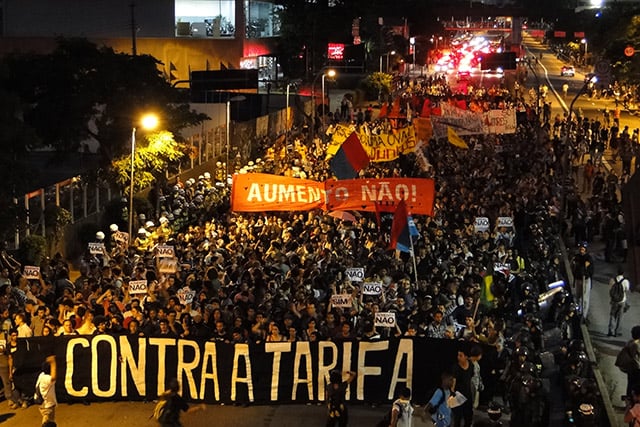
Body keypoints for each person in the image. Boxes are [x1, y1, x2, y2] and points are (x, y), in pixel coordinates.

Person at [571, 242, 594, 319]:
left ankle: (584, 316)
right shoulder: (576, 257)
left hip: (586, 280)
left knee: (585, 299)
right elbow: (573, 267)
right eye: (580, 249)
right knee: (578, 297)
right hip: (578, 279)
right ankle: (578, 313)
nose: (581, 250)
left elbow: (590, 271)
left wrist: (584, 268)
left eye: (583, 249)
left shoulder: (588, 258)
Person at [451, 349, 473, 427]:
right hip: (458, 395)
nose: (458, 357)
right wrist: (452, 394)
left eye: (461, 355)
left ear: (466, 357)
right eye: (458, 355)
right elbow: (453, 382)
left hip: (467, 394)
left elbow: (470, 378)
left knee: (468, 418)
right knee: (457, 418)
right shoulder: (456, 367)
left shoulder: (471, 365)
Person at [608, 265, 630, 337]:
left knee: (612, 315)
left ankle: (611, 331)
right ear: (623, 273)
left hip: (614, 300)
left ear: (617, 272)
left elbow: (610, 289)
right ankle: (617, 332)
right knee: (620, 316)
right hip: (622, 300)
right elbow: (626, 289)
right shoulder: (625, 281)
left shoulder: (612, 280)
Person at [35, 355, 57, 426]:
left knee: (47, 422)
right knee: (47, 423)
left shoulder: (41, 375)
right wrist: (53, 363)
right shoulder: (46, 378)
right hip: (47, 406)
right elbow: (53, 377)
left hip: (43, 404)